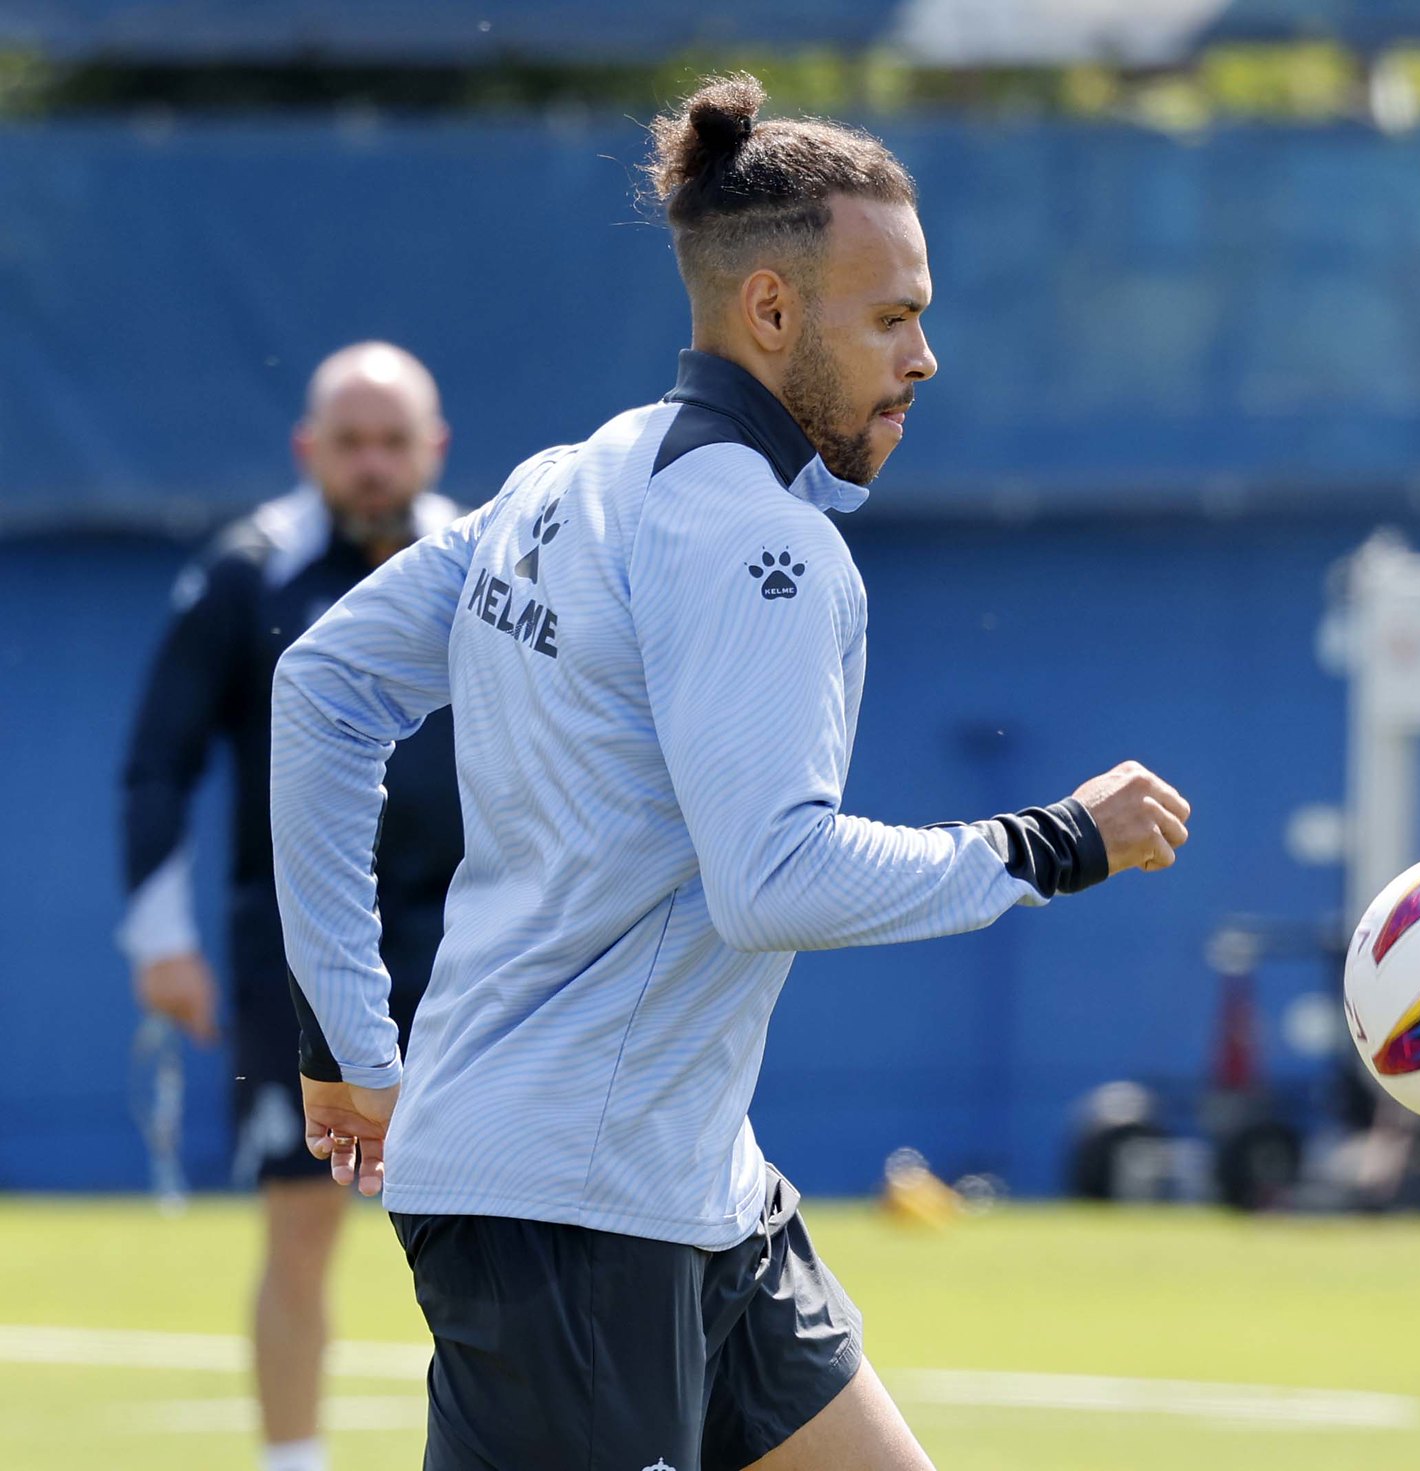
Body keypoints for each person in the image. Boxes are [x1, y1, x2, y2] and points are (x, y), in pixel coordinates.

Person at [270, 74, 1191, 1471]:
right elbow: (773, 877)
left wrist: (346, 1034)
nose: (925, 356)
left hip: (692, 1188)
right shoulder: (761, 542)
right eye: (893, 318)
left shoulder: (564, 478)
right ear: (770, 310)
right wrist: (1053, 840)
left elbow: (324, 687)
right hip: (574, 1214)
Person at [119, 342, 463, 1471]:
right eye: (350, 443)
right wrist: (162, 941)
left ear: (433, 448)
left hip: (473, 948)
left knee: (501, 1225)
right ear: (308, 449)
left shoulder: (493, 561)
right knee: (301, 1220)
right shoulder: (246, 573)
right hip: (297, 956)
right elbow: (157, 763)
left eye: (392, 442)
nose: (372, 466)